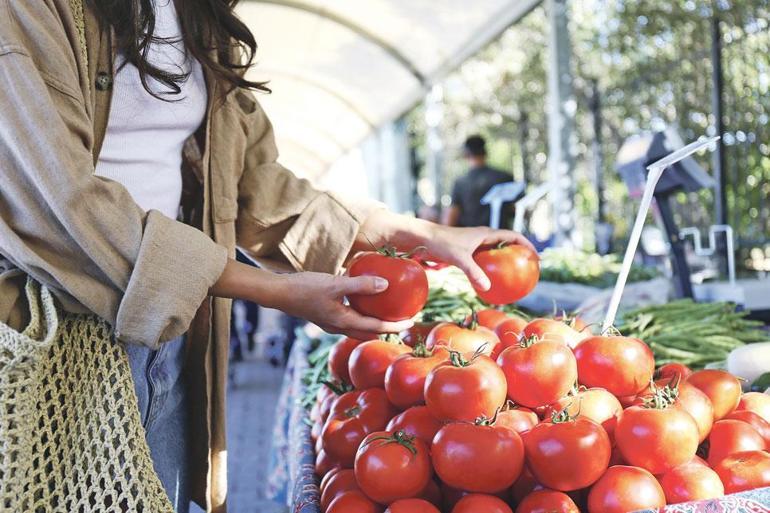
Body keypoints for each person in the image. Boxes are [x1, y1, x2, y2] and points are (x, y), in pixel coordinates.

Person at [0, 2, 534, 512]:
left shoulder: (201, 19)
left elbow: (258, 185)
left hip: (172, 333)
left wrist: (418, 234)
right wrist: (274, 291)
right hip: (53, 337)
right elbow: (61, 200)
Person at [442, 135, 516, 227]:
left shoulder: (461, 183)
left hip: (472, 238)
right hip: (501, 237)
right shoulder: (505, 177)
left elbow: (452, 215)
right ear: (485, 153)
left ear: (466, 155)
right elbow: (515, 209)